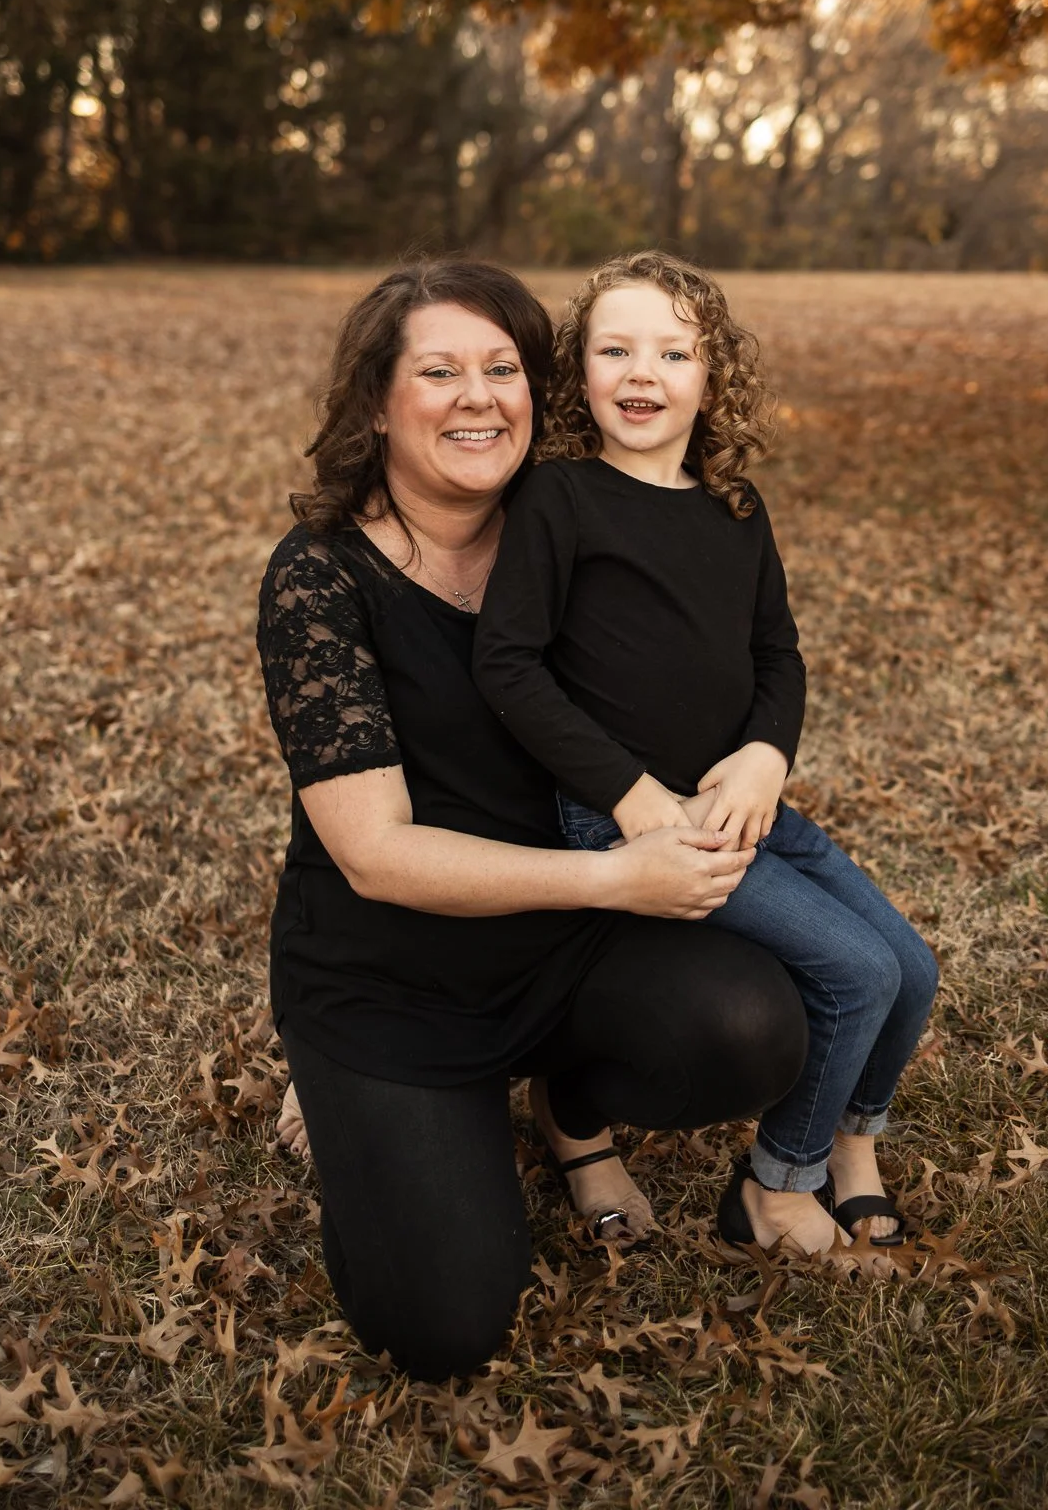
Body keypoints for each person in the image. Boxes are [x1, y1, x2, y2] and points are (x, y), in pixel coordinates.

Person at [256, 258, 809, 1381]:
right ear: (376, 403)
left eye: (503, 368)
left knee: (752, 1027)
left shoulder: (577, 520)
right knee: (444, 1326)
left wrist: (762, 746)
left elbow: (739, 653)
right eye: (439, 372)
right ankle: (348, 1091)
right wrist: (615, 878)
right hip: (397, 974)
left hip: (567, 947)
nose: (478, 397)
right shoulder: (320, 578)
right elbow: (374, 853)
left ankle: (567, 1101)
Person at [473, 251, 939, 1258]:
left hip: (743, 803)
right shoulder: (561, 499)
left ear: (712, 375)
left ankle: (851, 1145)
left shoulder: (735, 506)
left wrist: (769, 752)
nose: (642, 372)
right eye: (615, 350)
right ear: (580, 372)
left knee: (910, 966)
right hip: (633, 818)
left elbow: (778, 654)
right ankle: (776, 1186)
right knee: (856, 972)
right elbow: (508, 666)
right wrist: (630, 795)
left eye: (673, 352)